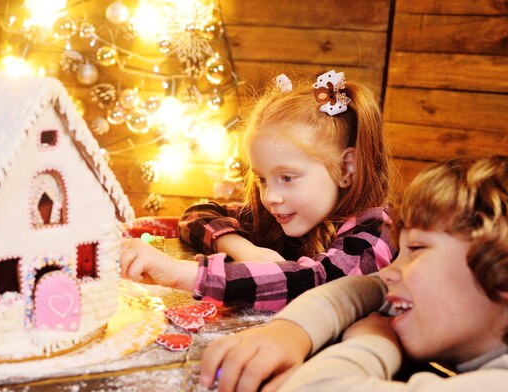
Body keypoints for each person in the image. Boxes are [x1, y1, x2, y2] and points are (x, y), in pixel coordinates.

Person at [199, 156, 508, 392]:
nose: (390, 272)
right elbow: (362, 288)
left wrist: (373, 342)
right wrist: (290, 332)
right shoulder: (467, 314)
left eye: (416, 249)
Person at [120, 70, 395, 311]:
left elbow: (314, 286)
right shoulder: (286, 216)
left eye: (286, 177)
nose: (270, 197)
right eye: (262, 179)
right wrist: (242, 248)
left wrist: (182, 274)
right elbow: (198, 214)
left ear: (347, 169)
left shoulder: (375, 234)